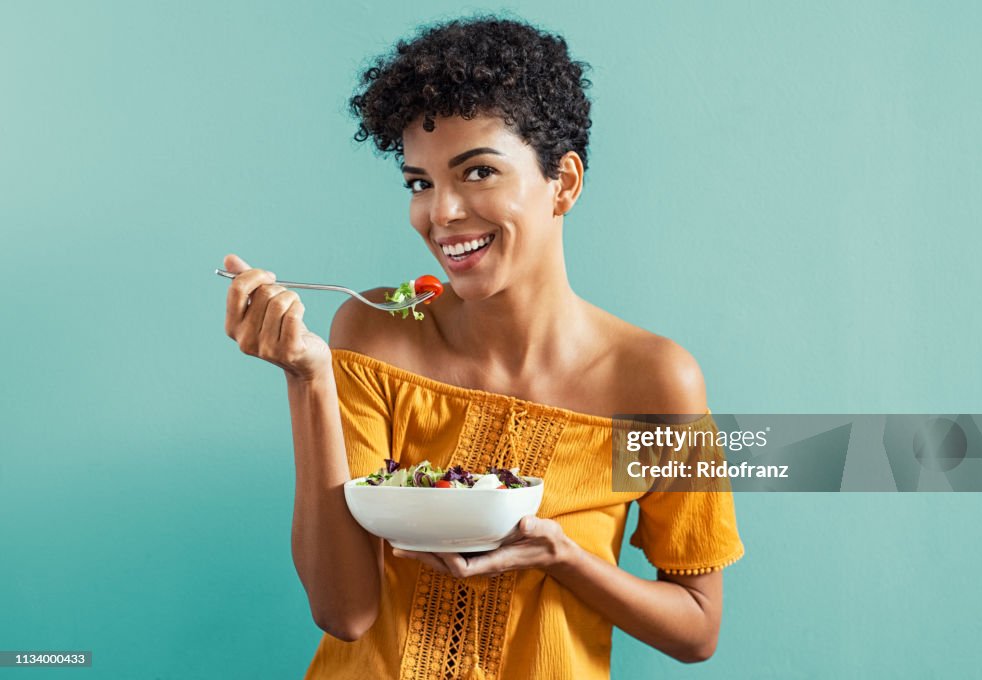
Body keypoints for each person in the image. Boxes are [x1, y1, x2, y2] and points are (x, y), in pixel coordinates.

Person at [222, 16, 743, 680]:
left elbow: (698, 627)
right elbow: (343, 612)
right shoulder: (376, 332)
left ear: (565, 183)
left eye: (477, 172)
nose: (440, 213)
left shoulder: (656, 382)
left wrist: (564, 558)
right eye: (420, 182)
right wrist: (307, 379)